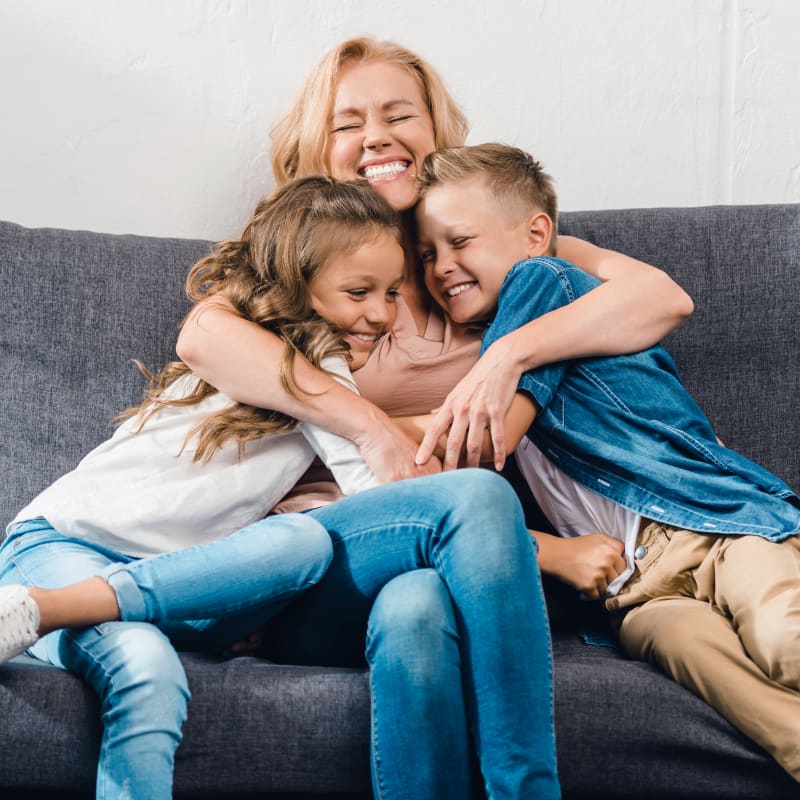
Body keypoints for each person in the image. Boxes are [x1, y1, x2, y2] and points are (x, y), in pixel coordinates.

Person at [173, 36, 694, 799]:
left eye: (398, 114)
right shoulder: (300, 263)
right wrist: (370, 426)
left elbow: (658, 299)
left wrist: (505, 358)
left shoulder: (483, 255)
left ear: (434, 132)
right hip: (335, 557)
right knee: (435, 556)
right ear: (319, 147)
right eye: (348, 122)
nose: (376, 135)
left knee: (418, 610)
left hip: (456, 567)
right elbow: (203, 335)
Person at [0, 174, 562, 799]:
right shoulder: (259, 349)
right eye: (359, 291)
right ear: (299, 282)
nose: (380, 313)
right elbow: (216, 342)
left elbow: (380, 493)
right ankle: (36, 606)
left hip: (192, 584)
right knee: (148, 669)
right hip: (61, 547)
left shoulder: (333, 381)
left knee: (328, 554)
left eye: (392, 293)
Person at [412, 140, 800, 781]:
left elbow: (490, 438)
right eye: (427, 254)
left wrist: (366, 434)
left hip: (716, 526)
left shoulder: (544, 282)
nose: (441, 266)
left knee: (786, 640)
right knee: (719, 675)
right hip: (638, 593)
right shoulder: (494, 341)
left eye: (459, 242)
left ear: (537, 234)